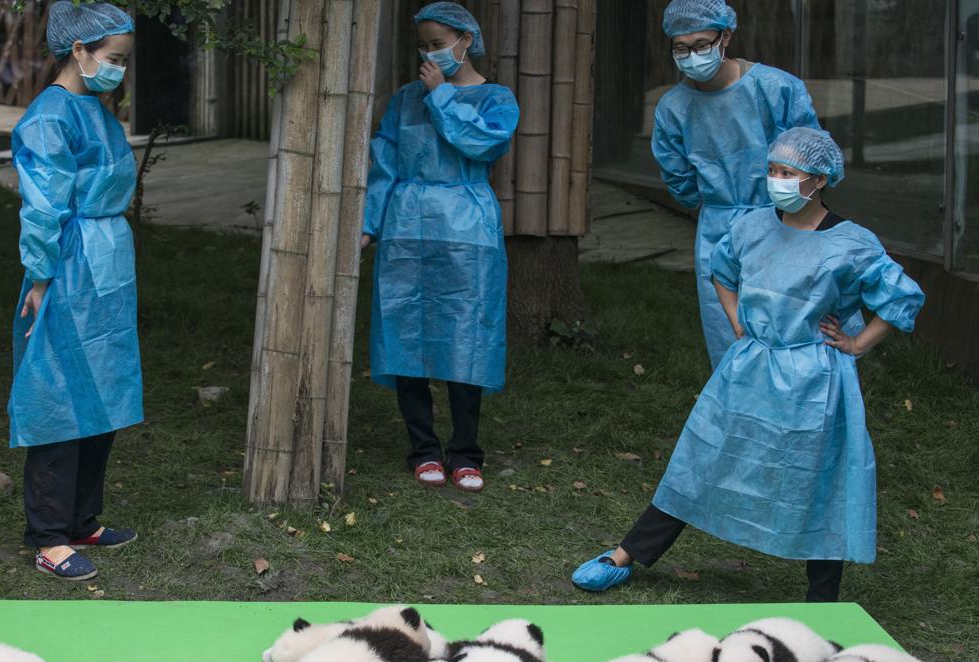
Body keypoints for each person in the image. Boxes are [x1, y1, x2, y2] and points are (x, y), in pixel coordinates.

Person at [571, 128, 925, 602]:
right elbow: (722, 269)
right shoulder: (753, 225)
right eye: (773, 170)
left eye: (788, 173)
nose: (776, 180)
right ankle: (624, 555)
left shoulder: (851, 243)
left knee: (818, 479)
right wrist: (738, 321)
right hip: (749, 369)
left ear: (818, 180)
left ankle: (823, 598)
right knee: (701, 457)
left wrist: (858, 343)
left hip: (812, 381)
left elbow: (902, 296)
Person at [361, 2, 519, 493]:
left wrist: (442, 96)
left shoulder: (496, 98)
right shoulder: (404, 98)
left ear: (465, 41)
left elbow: (482, 145)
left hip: (467, 226)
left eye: (437, 44)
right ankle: (424, 450)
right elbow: (385, 162)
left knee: (465, 337)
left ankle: (466, 453)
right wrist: (370, 223)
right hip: (407, 225)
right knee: (405, 333)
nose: (429, 54)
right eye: (423, 46)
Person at [7, 1, 141, 581]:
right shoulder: (49, 117)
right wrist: (39, 279)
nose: (119, 70)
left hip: (107, 269)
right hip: (65, 269)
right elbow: (41, 206)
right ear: (79, 51)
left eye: (124, 60)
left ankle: (83, 517)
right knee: (58, 398)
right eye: (112, 58)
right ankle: (48, 535)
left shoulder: (93, 107)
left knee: (102, 395)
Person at [652, 0, 847, 370]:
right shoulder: (672, 108)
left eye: (701, 45)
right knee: (732, 339)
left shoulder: (776, 89)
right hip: (720, 232)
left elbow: (813, 154)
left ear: (725, 36)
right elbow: (679, 179)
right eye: (681, 48)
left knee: (802, 332)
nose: (692, 56)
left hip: (787, 222)